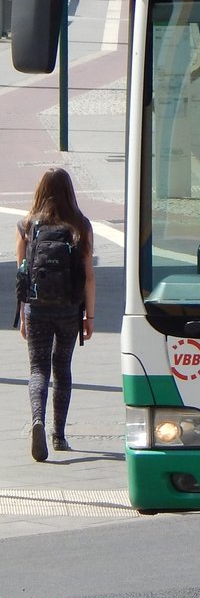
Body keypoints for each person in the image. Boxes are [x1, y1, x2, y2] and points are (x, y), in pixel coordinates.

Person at [15, 168, 96, 461]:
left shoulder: (27, 225)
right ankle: (59, 436)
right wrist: (89, 317)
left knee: (38, 370)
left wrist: (23, 314)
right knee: (62, 368)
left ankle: (37, 419)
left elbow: (22, 273)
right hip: (69, 308)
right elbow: (88, 276)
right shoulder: (80, 225)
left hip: (36, 307)